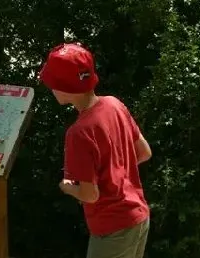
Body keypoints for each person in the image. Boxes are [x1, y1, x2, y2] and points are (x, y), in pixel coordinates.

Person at [38, 43, 152, 258]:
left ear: (64, 88)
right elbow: (144, 152)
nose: (50, 88)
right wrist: (115, 172)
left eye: (51, 83)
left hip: (112, 229)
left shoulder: (78, 133)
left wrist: (67, 187)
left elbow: (90, 195)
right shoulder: (114, 104)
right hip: (138, 217)